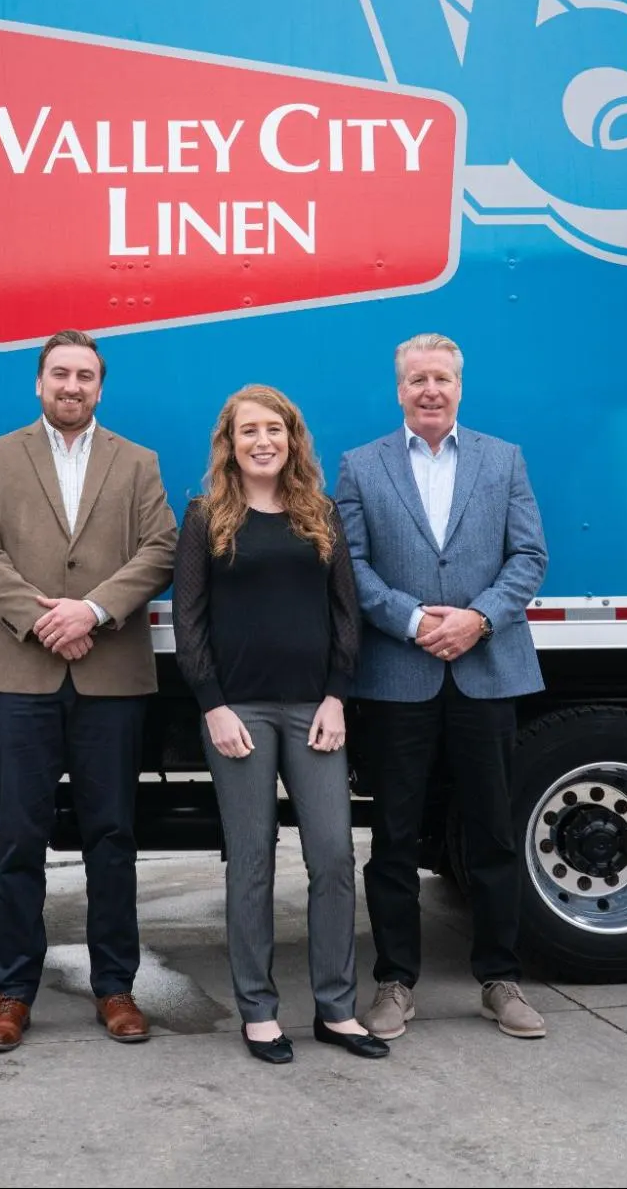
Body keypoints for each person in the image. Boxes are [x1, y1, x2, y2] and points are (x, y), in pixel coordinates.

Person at [0, 329, 179, 1053]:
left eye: (85, 375)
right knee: (19, 838)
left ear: (100, 388)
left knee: (111, 836)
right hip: (19, 673)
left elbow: (161, 552)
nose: (71, 386)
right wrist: (44, 619)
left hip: (110, 675)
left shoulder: (137, 462)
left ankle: (115, 987)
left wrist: (92, 610)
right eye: (59, 374)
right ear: (38, 383)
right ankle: (11, 992)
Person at [332, 333, 550, 1041]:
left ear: (460, 387)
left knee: (490, 833)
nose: (430, 390)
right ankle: (394, 983)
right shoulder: (359, 467)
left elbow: (529, 556)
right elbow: (350, 568)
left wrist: (479, 619)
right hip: (398, 676)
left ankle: (500, 979)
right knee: (393, 837)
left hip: (485, 672)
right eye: (417, 379)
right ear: (398, 389)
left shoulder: (502, 459)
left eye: (442, 379)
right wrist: (412, 618)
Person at [172, 385, 389, 1065]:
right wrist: (212, 704)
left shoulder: (316, 513)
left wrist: (335, 697)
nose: (261, 440)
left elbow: (346, 612)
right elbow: (188, 619)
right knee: (253, 860)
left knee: (331, 855)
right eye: (247, 431)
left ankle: (335, 1008)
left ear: (292, 439)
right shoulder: (206, 516)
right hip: (240, 714)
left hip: (313, 711)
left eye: (274, 428)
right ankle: (259, 1012)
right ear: (229, 444)